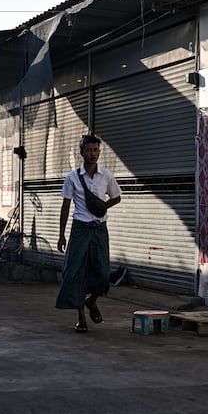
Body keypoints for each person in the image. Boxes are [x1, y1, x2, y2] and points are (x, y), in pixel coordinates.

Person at [56, 134, 122, 333]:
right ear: (81, 153)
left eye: (95, 150)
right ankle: (81, 318)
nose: (92, 154)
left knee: (103, 272)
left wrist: (103, 206)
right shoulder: (72, 177)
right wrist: (61, 234)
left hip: (99, 229)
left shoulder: (107, 176)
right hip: (80, 229)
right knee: (75, 272)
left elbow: (117, 197)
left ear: (99, 152)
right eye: (88, 150)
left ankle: (91, 302)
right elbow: (66, 206)